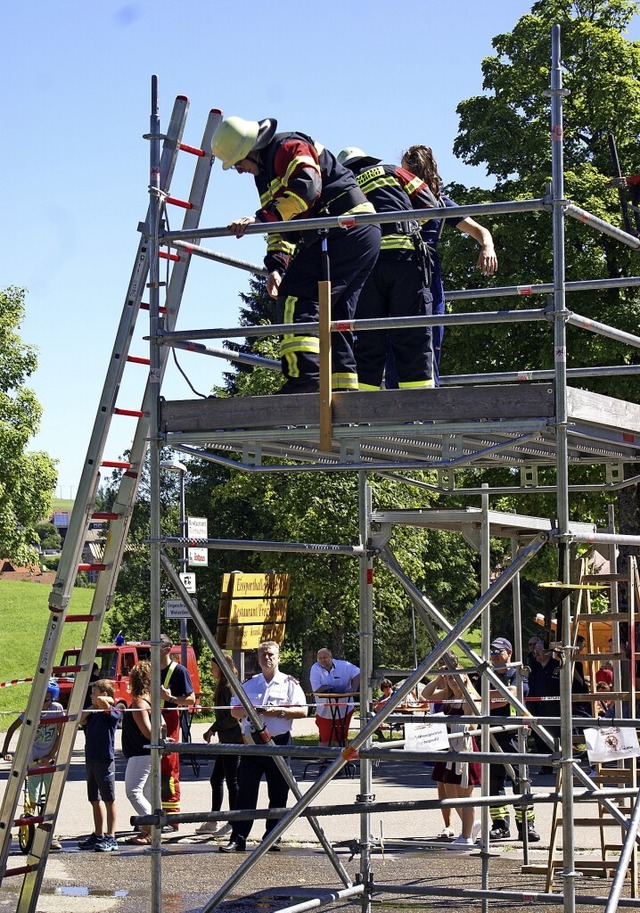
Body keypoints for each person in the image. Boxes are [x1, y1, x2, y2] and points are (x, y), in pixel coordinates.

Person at [210, 116, 381, 393]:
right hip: (354, 231)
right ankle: (342, 394)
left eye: (238, 163)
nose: (239, 170)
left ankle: (304, 380)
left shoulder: (288, 146)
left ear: (249, 151)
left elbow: (307, 188)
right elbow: (283, 225)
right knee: (334, 315)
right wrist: (276, 265)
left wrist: (260, 219)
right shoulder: (265, 174)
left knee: (295, 296)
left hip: (344, 228)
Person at [387, 144, 498, 387]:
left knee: (429, 337)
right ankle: (399, 409)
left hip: (424, 273)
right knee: (396, 338)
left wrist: (487, 245)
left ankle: (425, 407)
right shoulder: (393, 200)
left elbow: (480, 230)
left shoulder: (438, 201)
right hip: (398, 272)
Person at [336, 147, 438, 390]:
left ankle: (361, 416)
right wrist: (409, 225)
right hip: (404, 260)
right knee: (412, 336)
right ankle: (420, 413)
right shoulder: (394, 171)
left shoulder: (343, 187)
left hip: (367, 265)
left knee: (369, 341)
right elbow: (430, 204)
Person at [219, 640, 307, 853]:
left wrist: (278, 711)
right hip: (253, 745)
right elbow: (234, 711)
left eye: (271, 655)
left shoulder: (290, 684)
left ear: (278, 657)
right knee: (245, 793)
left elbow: (304, 711)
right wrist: (251, 711)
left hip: (279, 743)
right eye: (263, 655)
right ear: (257, 658)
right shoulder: (249, 684)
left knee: (278, 793)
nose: (267, 658)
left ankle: (272, 837)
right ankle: (238, 838)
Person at [488, 636, 540, 843]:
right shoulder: (486, 674)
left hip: (514, 734)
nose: (495, 656)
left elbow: (510, 695)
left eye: (499, 652)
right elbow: (474, 699)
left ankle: (526, 825)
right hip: (491, 733)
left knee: (521, 780)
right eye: (492, 652)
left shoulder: (516, 673)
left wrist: (487, 699)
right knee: (494, 782)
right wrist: (488, 699)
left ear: (509, 653)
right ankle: (500, 826)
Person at [2, 678, 63, 850]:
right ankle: (30, 830)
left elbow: (60, 733)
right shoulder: (32, 710)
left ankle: (48, 835)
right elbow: (13, 728)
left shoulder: (56, 710)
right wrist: (5, 751)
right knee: (33, 799)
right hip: (33, 762)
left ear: (51, 696)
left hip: (49, 760)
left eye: (45, 695)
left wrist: (51, 756)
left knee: (50, 799)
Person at [422, 669, 481, 848]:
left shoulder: (469, 697)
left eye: (456, 677)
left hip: (463, 748)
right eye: (449, 678)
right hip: (448, 747)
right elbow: (425, 694)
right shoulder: (448, 695)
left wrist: (449, 723)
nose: (453, 681)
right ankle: (470, 826)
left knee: (465, 793)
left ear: (464, 677)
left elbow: (473, 724)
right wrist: (440, 676)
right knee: (449, 792)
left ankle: (467, 835)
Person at [196, 654, 242, 837]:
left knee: (233, 782)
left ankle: (233, 821)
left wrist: (214, 728)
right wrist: (214, 729)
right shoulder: (222, 686)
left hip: (234, 740)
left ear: (222, 667)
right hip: (225, 740)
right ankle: (213, 819)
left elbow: (233, 717)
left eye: (213, 666)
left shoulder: (230, 687)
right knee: (216, 779)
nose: (211, 670)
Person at [77, 678, 121, 852]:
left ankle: (111, 837)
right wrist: (92, 705)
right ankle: (98, 834)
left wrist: (105, 700)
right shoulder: (93, 712)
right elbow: (80, 719)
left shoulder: (113, 711)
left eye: (94, 693)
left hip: (105, 759)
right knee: (94, 799)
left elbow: (106, 703)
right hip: (91, 759)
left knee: (109, 799)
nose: (91, 696)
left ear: (103, 694)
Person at [159, 633, 196, 830]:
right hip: (152, 720)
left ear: (166, 649)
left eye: (155, 647)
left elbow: (190, 700)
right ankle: (157, 814)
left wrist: (171, 698)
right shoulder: (150, 670)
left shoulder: (178, 671)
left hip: (170, 721)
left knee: (169, 768)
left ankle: (172, 817)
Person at [121, 661, 153, 846]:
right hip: (145, 753)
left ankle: (152, 826)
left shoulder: (139, 702)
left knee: (133, 791)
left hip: (140, 753)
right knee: (147, 794)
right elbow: (161, 726)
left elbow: (148, 732)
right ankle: (147, 833)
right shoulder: (150, 701)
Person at [309, 648, 360, 752]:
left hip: (344, 709)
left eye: (325, 657)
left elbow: (358, 673)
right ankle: (322, 764)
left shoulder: (344, 665)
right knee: (324, 738)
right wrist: (329, 688)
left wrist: (353, 689)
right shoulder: (315, 668)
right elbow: (317, 690)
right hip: (325, 711)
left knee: (342, 738)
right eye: (320, 658)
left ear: (331, 657)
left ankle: (342, 763)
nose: (323, 660)